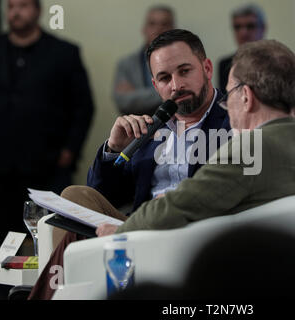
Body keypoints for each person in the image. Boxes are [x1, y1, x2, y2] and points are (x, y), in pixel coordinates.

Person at [28, 29, 231, 300]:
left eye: (184, 71)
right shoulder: (150, 126)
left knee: (73, 237)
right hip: (137, 230)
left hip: (190, 231)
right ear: (155, 85)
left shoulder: (234, 118)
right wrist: (114, 149)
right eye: (164, 78)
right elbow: (105, 196)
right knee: (74, 198)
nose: (175, 85)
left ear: (206, 68)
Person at [0, 0, 94, 257]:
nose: (15, 12)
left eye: (22, 6)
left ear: (37, 10)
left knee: (50, 240)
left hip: (48, 167)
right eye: (10, 6)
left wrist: (70, 151)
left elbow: (83, 107)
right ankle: (2, 295)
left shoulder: (64, 52)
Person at [109, 225, 295, 300]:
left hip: (177, 232)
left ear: (246, 98)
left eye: (229, 99)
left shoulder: (245, 148)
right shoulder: (154, 127)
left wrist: (125, 227)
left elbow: (185, 204)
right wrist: (114, 150)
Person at [113, 5, 175, 116]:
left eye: (164, 24)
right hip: (136, 130)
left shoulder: (183, 62)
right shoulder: (126, 64)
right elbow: (124, 103)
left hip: (176, 129)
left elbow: (188, 100)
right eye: (152, 24)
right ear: (144, 29)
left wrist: (137, 95)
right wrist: (169, 92)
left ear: (174, 29)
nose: (158, 29)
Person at [218, 4, 266, 93]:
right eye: (237, 27)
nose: (243, 32)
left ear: (263, 28)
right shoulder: (225, 65)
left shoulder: (276, 63)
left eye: (250, 26)